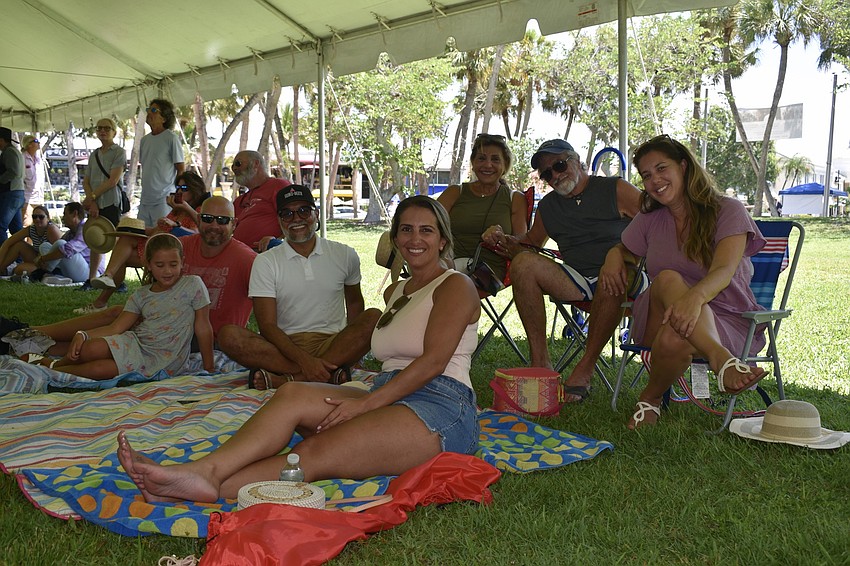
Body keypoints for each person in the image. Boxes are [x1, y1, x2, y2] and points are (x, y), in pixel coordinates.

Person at [115, 195, 481, 502]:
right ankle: (202, 472)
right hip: (388, 391)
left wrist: (364, 403)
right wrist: (365, 396)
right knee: (290, 393)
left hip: (440, 406)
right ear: (396, 237)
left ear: (443, 240)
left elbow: (434, 362)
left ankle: (200, 488)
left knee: (315, 452)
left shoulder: (455, 286)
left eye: (426, 230)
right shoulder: (398, 291)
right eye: (407, 229)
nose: (415, 238)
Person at [600, 135, 768, 429]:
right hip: (658, 314)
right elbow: (625, 250)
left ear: (684, 166)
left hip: (726, 320)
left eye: (662, 168)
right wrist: (613, 256)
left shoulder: (728, 210)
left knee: (677, 332)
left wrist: (694, 300)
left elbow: (724, 271)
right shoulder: (651, 217)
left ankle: (649, 399)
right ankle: (721, 361)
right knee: (666, 279)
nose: (655, 180)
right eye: (647, 175)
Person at [4, 197, 255, 357]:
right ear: (198, 220)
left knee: (114, 333)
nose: (214, 225)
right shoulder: (183, 245)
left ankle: (22, 336)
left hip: (199, 340)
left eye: (222, 220)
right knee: (118, 316)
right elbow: (150, 261)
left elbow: (272, 302)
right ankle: (24, 340)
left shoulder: (246, 259)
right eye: (208, 218)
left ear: (234, 224)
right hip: (163, 324)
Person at [495, 139, 642, 403]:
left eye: (560, 165)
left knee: (612, 278)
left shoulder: (615, 188)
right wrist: (501, 240)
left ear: (578, 161)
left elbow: (656, 225)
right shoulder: (549, 206)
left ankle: (584, 369)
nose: (555, 175)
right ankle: (540, 366)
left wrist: (620, 253)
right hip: (577, 277)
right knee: (523, 264)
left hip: (627, 270)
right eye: (547, 173)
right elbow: (528, 246)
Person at [218, 185, 381, 388]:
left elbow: (355, 303)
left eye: (304, 211)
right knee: (228, 335)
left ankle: (290, 379)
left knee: (374, 316)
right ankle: (327, 373)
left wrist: (352, 350)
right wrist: (306, 361)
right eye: (287, 214)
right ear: (279, 221)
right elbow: (267, 326)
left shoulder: (344, 254)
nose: (296, 219)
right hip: (283, 347)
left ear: (316, 214)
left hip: (332, 342)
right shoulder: (266, 262)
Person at [34, 233, 214, 380]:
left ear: (182, 262)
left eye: (173, 264)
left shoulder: (193, 285)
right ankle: (55, 364)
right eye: (160, 265)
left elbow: (203, 327)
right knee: (90, 348)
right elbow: (116, 327)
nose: (167, 271)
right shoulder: (141, 295)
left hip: (166, 359)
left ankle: (54, 370)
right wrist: (83, 334)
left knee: (98, 370)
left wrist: (209, 368)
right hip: (136, 344)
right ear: (149, 265)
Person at [76, 171, 209, 314]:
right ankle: (106, 283)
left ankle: (101, 298)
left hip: (173, 254)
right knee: (126, 240)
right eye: (177, 187)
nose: (179, 191)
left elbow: (199, 232)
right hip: (157, 246)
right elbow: (156, 231)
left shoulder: (199, 209)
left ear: (195, 189)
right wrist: (135, 228)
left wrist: (178, 219)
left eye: (184, 188)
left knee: (123, 255)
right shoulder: (176, 211)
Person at [437, 133, 528, 295]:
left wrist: (502, 237)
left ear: (505, 165)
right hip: (447, 263)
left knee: (447, 291)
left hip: (488, 272)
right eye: (481, 158)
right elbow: (428, 222)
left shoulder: (515, 198)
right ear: (473, 162)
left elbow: (523, 242)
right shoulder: (455, 192)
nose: (488, 165)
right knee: (427, 285)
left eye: (495, 159)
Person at [80, 118, 127, 290]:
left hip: (111, 202)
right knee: (96, 240)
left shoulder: (119, 152)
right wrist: (92, 201)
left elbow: (113, 181)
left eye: (107, 128)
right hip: (95, 203)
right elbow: (86, 181)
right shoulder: (94, 154)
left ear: (114, 132)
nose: (103, 131)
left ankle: (116, 280)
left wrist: (91, 197)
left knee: (115, 241)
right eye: (99, 128)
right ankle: (92, 279)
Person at [138, 99, 185, 227]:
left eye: (154, 110)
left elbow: (181, 169)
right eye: (148, 110)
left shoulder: (171, 138)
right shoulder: (144, 140)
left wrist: (175, 194)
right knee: (142, 237)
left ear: (164, 118)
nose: (149, 113)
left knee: (161, 238)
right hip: (145, 200)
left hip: (163, 200)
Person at [230, 150, 290, 251]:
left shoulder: (278, 186)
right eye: (233, 166)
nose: (234, 168)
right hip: (239, 253)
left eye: (238, 164)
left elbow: (293, 218)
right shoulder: (239, 200)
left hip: (267, 252)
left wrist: (278, 239)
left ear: (255, 164)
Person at [33, 202, 102, 283]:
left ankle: (43, 272)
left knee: (61, 244)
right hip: (75, 269)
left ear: (74, 214)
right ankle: (52, 273)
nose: (63, 218)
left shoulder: (85, 229)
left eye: (65, 214)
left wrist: (42, 259)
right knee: (44, 246)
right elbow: (56, 250)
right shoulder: (69, 233)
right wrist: (45, 259)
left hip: (91, 272)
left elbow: (67, 250)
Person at [0, 204, 62, 275]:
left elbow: (61, 252)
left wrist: (43, 260)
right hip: (38, 259)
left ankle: (47, 274)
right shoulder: (31, 229)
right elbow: (7, 243)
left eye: (41, 217)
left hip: (51, 263)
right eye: (34, 217)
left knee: (19, 270)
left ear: (48, 218)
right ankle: (2, 269)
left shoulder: (52, 229)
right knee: (19, 245)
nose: (37, 219)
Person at [0, 126, 25, 245]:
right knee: (16, 229)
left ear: (1, 140)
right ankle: (19, 257)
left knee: (0, 226)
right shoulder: (13, 151)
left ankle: (3, 255)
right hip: (17, 192)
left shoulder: (9, 152)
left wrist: (1, 180)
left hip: (11, 193)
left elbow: (14, 172)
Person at [21, 135, 45, 226]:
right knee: (27, 223)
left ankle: (32, 241)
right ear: (29, 144)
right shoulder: (22, 158)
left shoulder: (39, 160)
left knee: (37, 225)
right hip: (27, 198)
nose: (38, 143)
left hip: (39, 197)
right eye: (36, 141)